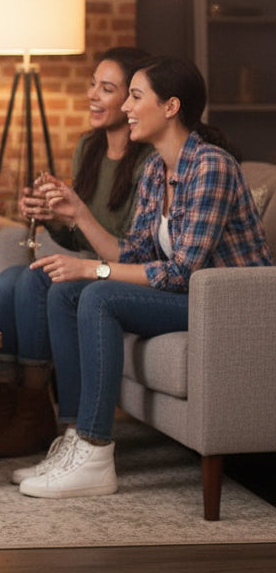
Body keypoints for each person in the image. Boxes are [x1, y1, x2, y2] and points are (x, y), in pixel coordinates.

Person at [16, 56, 272, 499]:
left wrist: (92, 269)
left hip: (227, 310)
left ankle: (96, 452)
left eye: (136, 96)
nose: (128, 108)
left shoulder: (211, 166)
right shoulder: (157, 168)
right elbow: (131, 253)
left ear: (170, 106)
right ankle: (76, 436)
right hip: (189, 297)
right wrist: (78, 212)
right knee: (66, 294)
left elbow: (182, 273)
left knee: (97, 296)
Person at [0, 47, 152, 459]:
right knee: (7, 282)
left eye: (107, 89)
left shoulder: (148, 159)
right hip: (96, 261)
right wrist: (51, 215)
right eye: (93, 84)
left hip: (121, 269)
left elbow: (129, 247)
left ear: (131, 99)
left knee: (36, 280)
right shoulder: (88, 147)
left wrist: (75, 215)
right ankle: (19, 410)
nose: (93, 95)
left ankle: (49, 419)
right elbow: (78, 239)